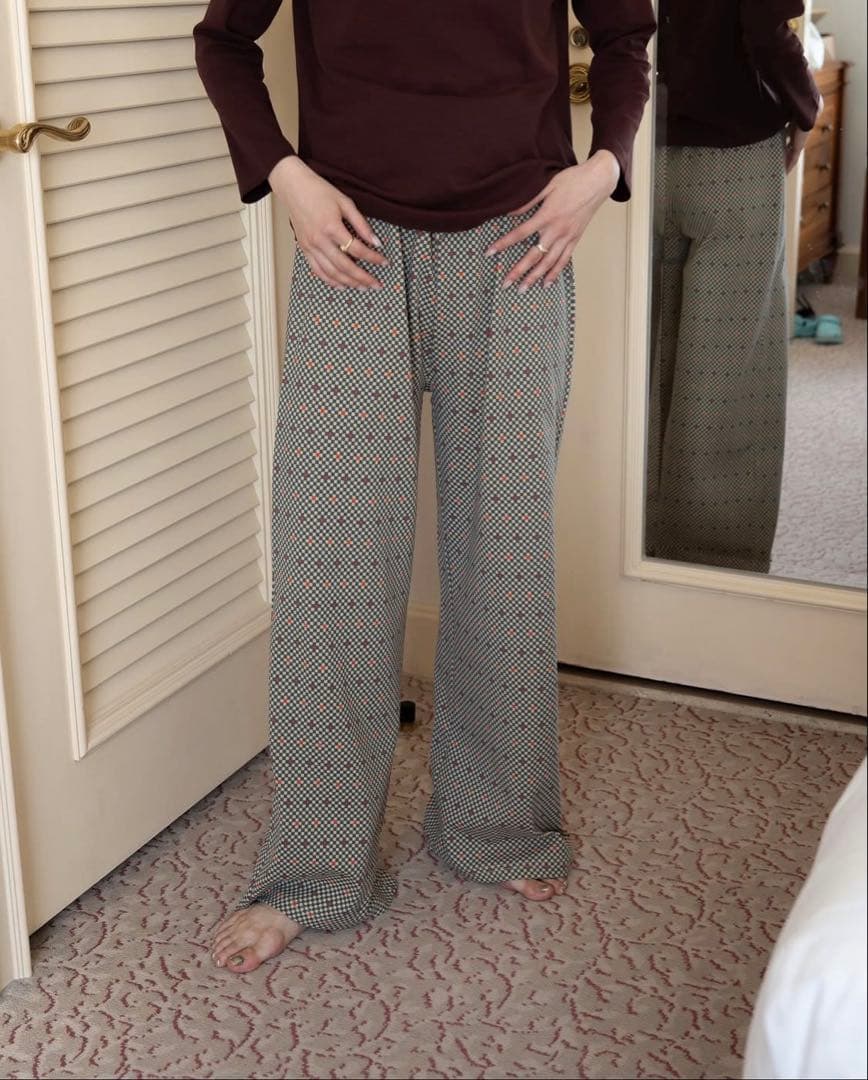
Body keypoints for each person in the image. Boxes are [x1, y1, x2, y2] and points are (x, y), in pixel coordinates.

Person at [193, 0, 656, 973]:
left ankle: (499, 829)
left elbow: (625, 35)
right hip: (348, 241)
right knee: (332, 567)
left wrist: (602, 169)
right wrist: (287, 177)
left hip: (521, 238)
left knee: (503, 553)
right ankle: (315, 872)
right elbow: (223, 40)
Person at [645, 1, 821, 572]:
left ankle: (641, 544)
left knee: (649, 354)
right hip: (735, 158)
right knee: (729, 371)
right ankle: (712, 560)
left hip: (643, 146)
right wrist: (806, 105)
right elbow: (764, 23)